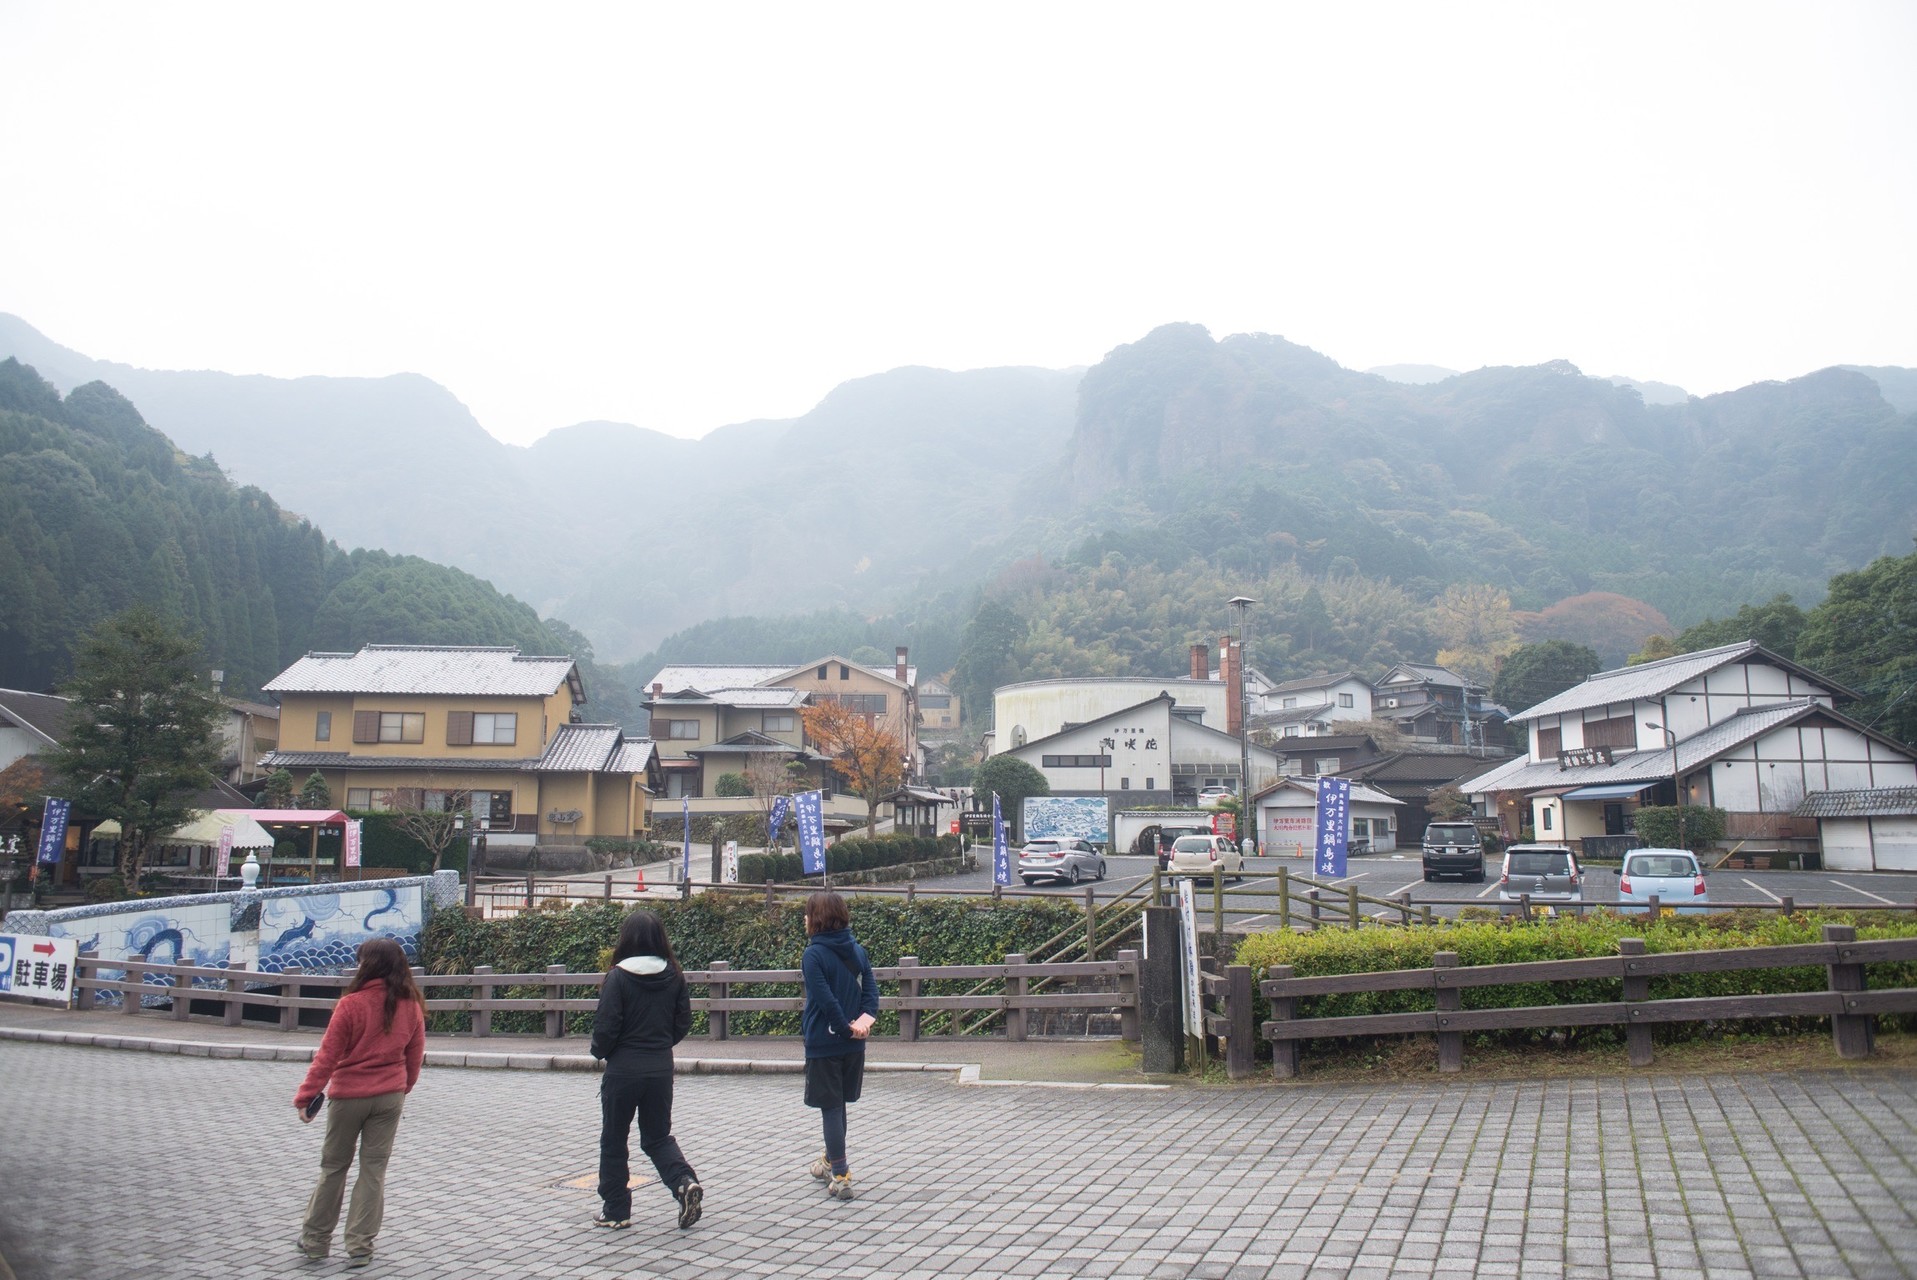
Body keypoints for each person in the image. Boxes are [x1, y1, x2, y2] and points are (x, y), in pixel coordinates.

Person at [293, 937, 427, 1268]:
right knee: (373, 1171)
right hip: (389, 1096)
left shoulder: (351, 1004)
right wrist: (403, 1087)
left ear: (367, 965)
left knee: (334, 1168)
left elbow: (328, 1056)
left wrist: (307, 1095)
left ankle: (315, 1241)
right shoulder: (410, 1005)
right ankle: (360, 1245)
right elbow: (415, 1054)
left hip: (348, 1096)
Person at [590, 909, 702, 1230]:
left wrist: (601, 1051)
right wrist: (661, 1044)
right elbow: (683, 1023)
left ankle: (616, 1209)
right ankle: (683, 1182)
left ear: (626, 940)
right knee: (656, 1137)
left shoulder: (617, 977)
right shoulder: (674, 976)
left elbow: (606, 1026)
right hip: (660, 1070)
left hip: (623, 1070)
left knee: (614, 1138)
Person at [800, 890, 878, 1202]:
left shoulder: (813, 955)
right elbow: (871, 992)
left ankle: (841, 1173)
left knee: (831, 1107)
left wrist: (845, 1028)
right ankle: (831, 1159)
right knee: (840, 1104)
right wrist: (864, 1023)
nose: (804, 920)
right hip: (854, 1043)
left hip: (825, 1040)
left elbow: (824, 1000)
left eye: (807, 914)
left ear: (817, 919)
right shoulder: (857, 950)